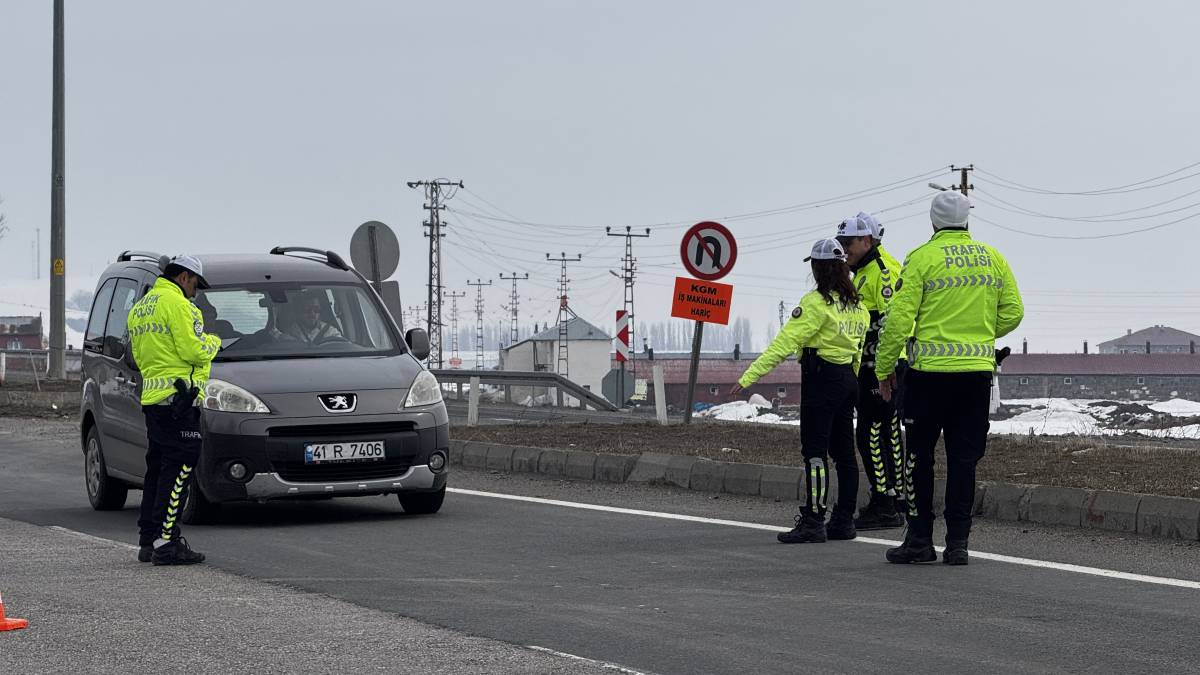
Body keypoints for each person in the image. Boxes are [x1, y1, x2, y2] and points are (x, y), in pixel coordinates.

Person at [876, 192, 1024, 565]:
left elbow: (899, 319)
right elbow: (1014, 312)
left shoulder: (921, 258)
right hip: (974, 378)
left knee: (918, 458)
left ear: (933, 222)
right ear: (966, 220)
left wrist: (884, 368)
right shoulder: (993, 258)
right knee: (963, 460)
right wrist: (981, 332)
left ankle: (919, 540)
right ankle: (958, 543)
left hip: (928, 378)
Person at [731, 238, 869, 544]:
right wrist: (852, 380)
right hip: (847, 379)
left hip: (821, 380)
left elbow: (783, 344)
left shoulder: (815, 303)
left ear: (817, 268)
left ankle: (813, 520)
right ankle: (844, 521)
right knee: (845, 455)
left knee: (815, 453)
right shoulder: (858, 306)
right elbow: (858, 350)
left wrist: (749, 376)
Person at [127, 255, 221, 565]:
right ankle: (167, 542)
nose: (196, 291)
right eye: (195, 284)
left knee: (157, 469)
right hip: (179, 400)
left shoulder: (140, 307)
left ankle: (148, 539)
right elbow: (193, 349)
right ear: (183, 277)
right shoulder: (180, 306)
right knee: (180, 468)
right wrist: (214, 341)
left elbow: (139, 357)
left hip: (154, 400)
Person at [836, 214, 906, 530]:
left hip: (881, 365)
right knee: (885, 432)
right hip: (873, 363)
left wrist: (884, 366)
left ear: (866, 241)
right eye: (840, 244)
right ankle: (894, 498)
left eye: (848, 243)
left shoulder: (882, 271)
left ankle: (885, 503)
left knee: (871, 434)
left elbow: (892, 322)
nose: (844, 250)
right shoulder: (863, 272)